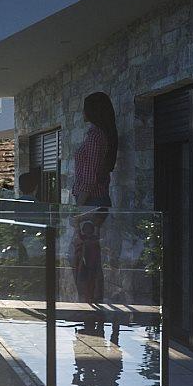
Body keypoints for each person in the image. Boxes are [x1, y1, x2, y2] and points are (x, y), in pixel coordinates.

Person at [71, 92, 119, 332]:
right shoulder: (105, 135)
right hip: (98, 202)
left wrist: (77, 211)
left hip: (90, 204)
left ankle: (89, 311)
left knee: (82, 261)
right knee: (91, 259)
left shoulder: (94, 136)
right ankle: (92, 309)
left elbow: (88, 179)